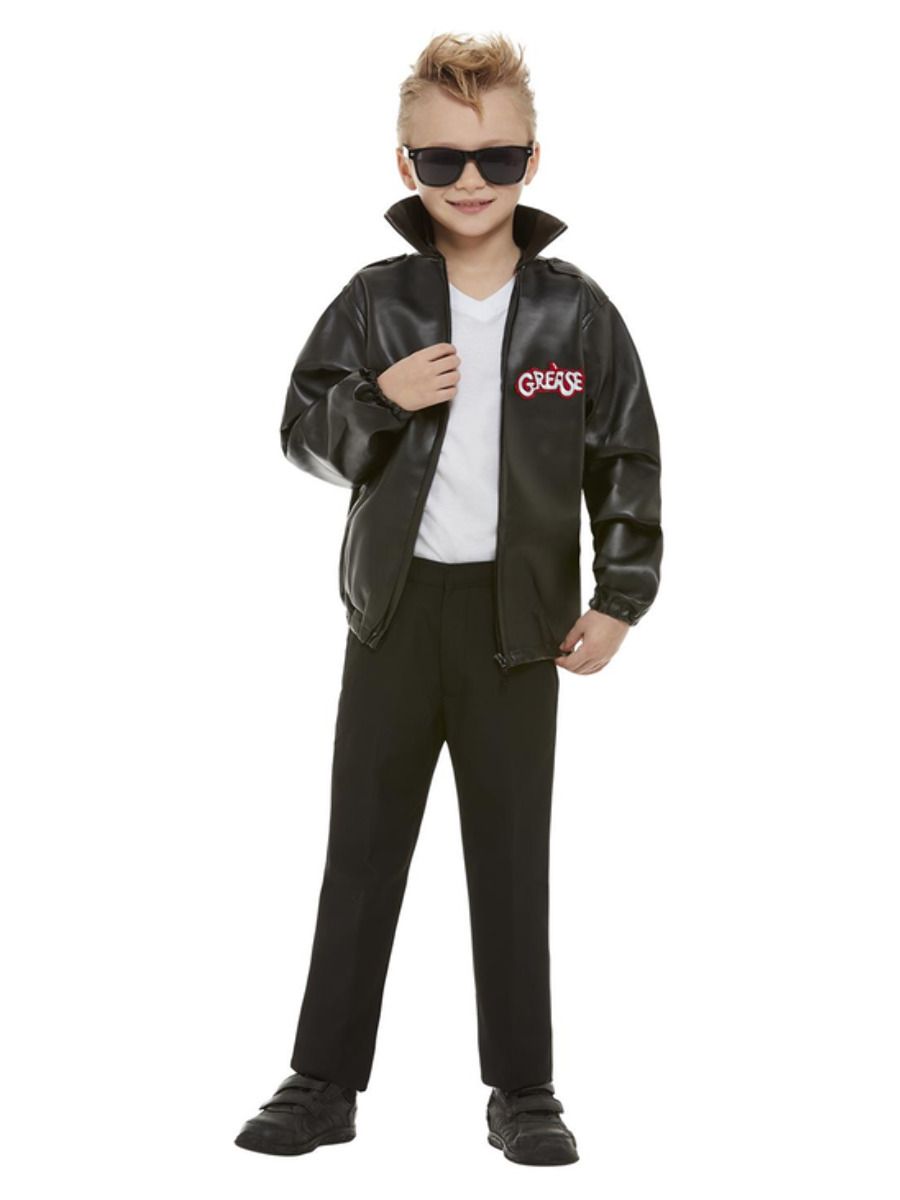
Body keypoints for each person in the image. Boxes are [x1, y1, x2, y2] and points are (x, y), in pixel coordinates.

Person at [235, 31, 663, 1168]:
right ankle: (322, 1083)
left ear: (533, 162)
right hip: (392, 616)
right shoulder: (374, 304)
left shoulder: (577, 313)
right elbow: (303, 436)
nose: (471, 182)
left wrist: (621, 596)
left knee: (512, 859)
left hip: (519, 630)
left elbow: (627, 458)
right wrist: (380, 397)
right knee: (362, 853)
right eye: (442, 160)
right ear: (405, 165)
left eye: (497, 158)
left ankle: (524, 1089)